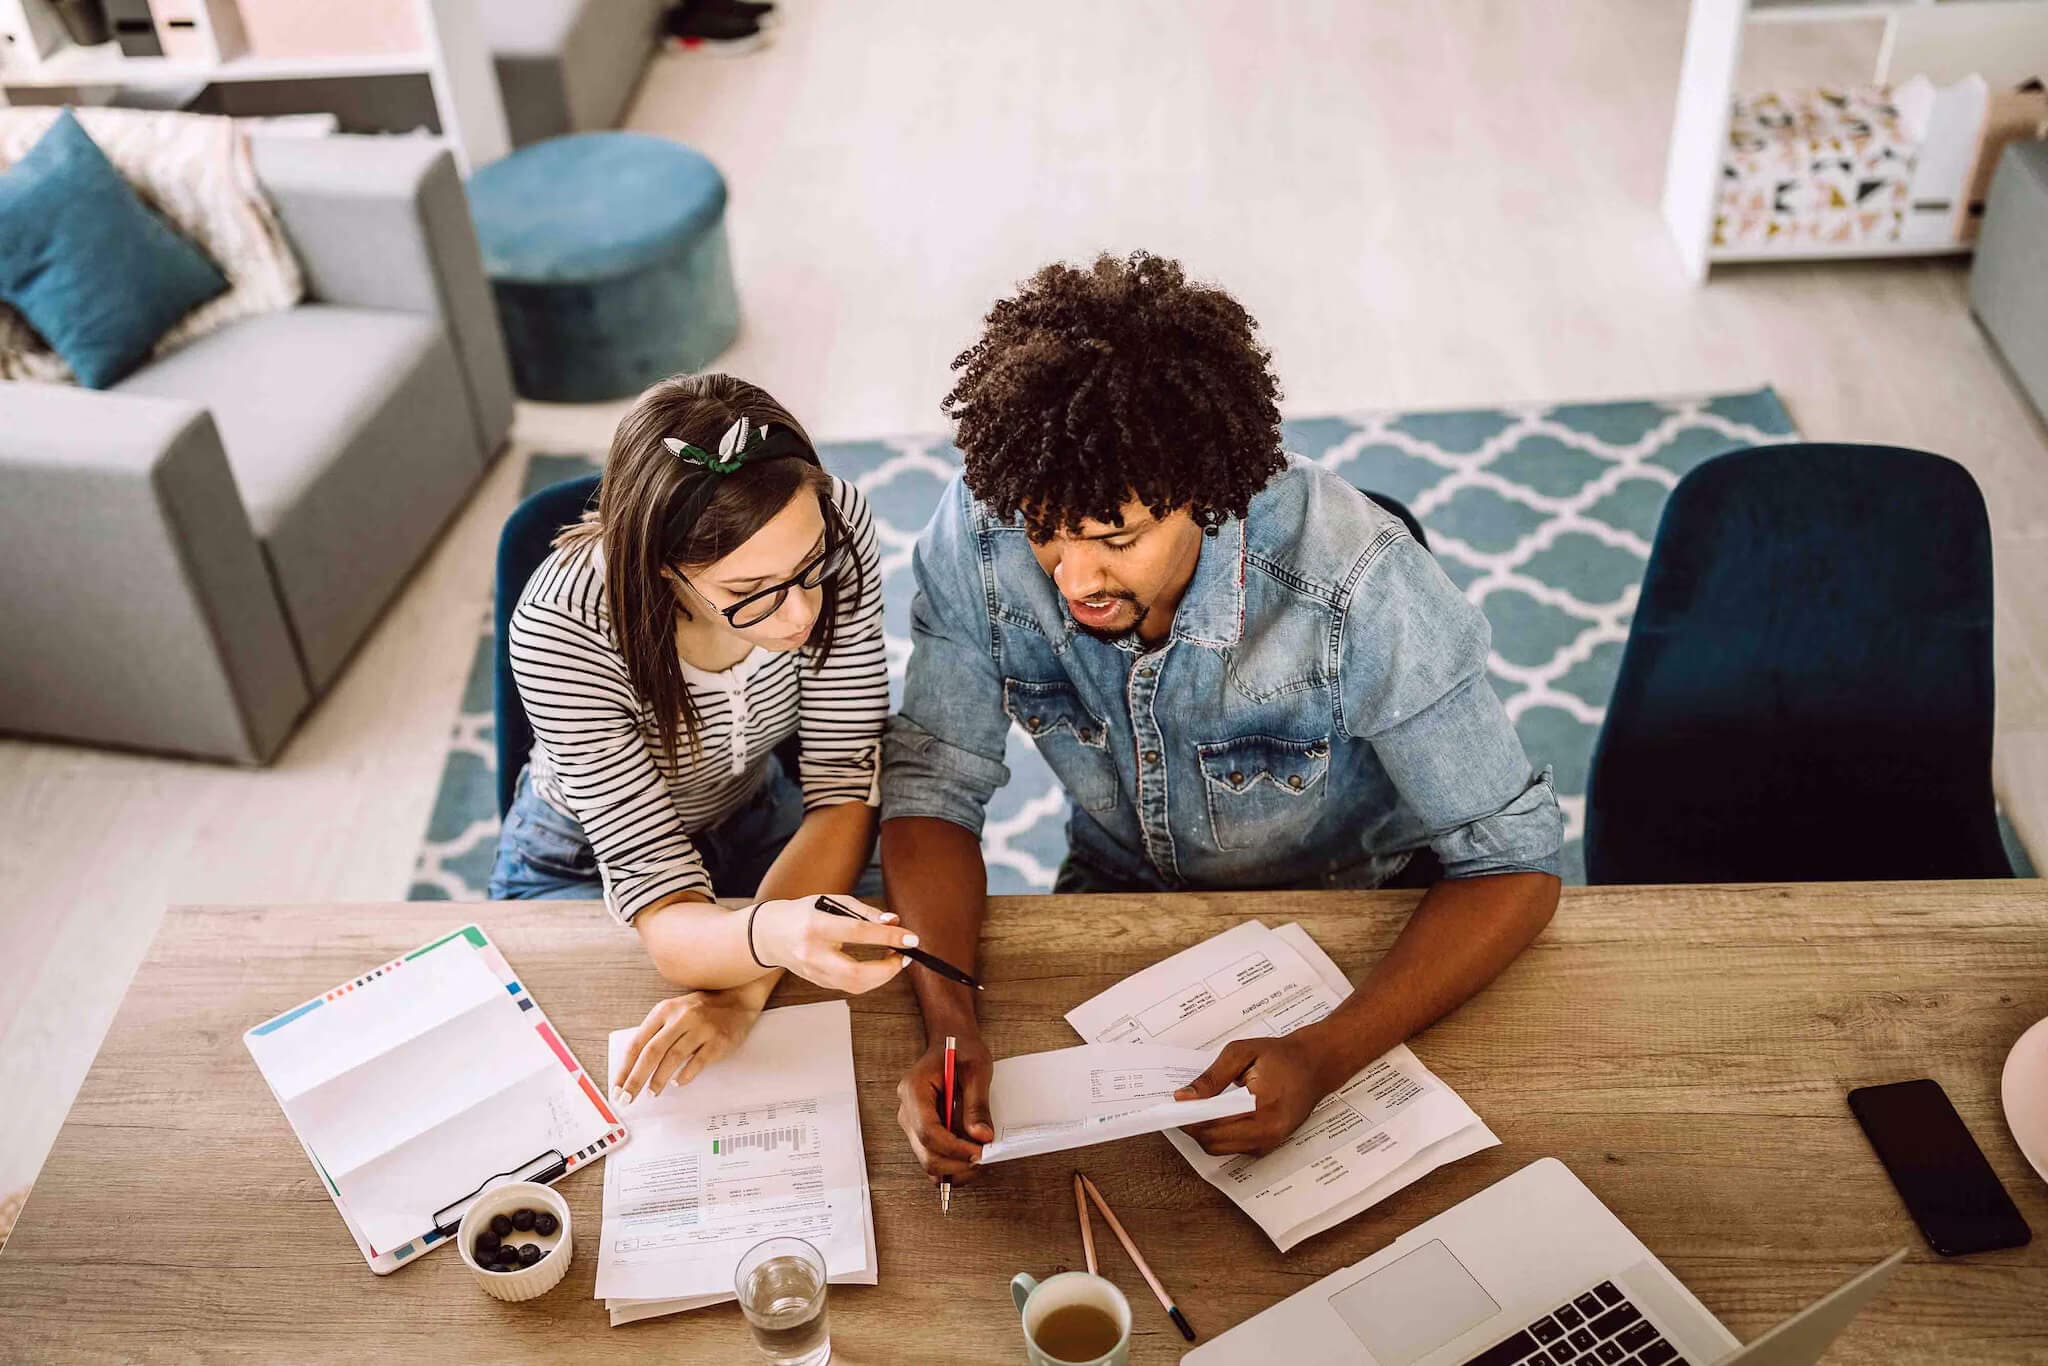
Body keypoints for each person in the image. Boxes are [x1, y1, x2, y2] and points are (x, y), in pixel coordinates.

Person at [881, 252, 1563, 1184]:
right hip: (1112, 890)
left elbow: (1514, 865)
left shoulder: (1357, 579)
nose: (1074, 579)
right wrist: (953, 1029)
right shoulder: (979, 531)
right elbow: (932, 790)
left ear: (1207, 495)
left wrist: (1326, 1054)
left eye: (1116, 539)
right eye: (1049, 530)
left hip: (1350, 914)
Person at [490, 373, 919, 1103]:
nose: (800, 616)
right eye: (752, 592)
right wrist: (774, 940)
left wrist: (740, 994)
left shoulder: (836, 518)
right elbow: (663, 905)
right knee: (558, 1082)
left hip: (760, 812)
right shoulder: (561, 628)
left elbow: (845, 785)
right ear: (663, 566)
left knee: (894, 1008)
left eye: (810, 569)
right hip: (580, 856)